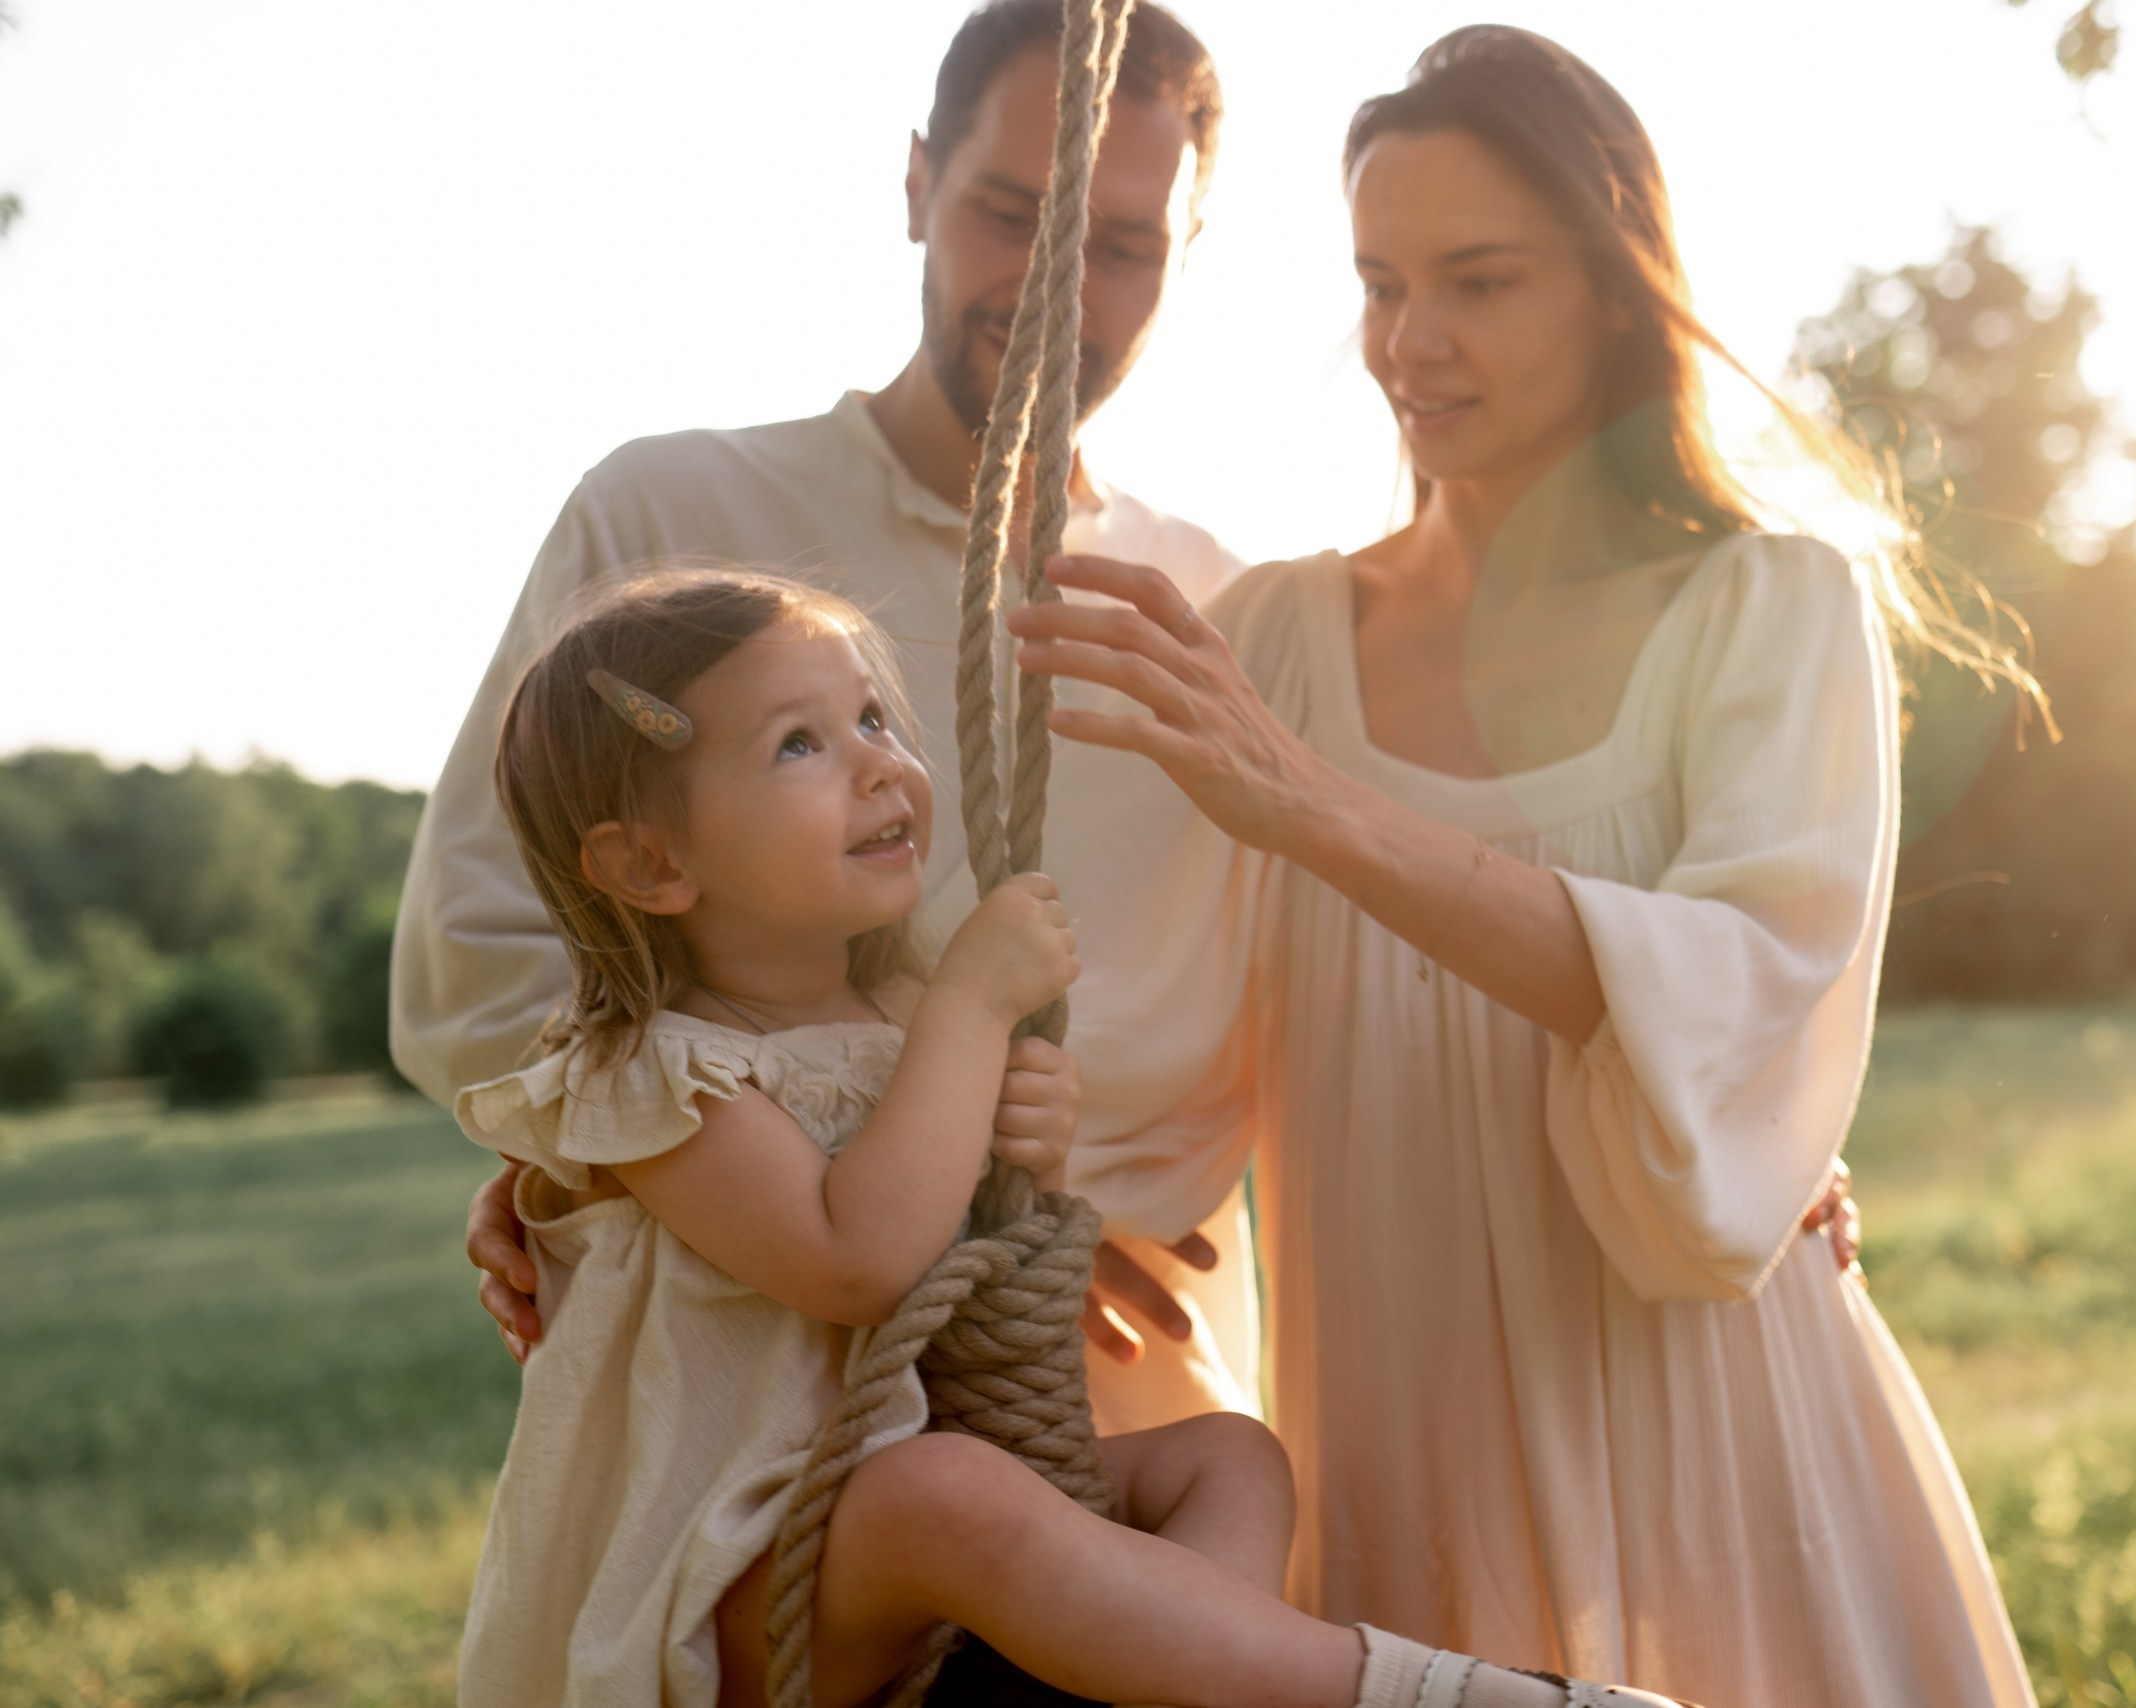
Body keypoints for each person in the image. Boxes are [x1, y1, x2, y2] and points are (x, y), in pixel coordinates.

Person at [997, 27, 2036, 1707]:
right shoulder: (1276, 638)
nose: (1411, 341)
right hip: (1402, 1442)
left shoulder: (1773, 608)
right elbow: (1092, 1020)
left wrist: (1313, 804)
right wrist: (647, 1165)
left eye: (1479, 282)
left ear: (1617, 291)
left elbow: (1738, 1002)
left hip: (1713, 1424)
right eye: (1381, 283)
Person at [453, 567, 1698, 1708]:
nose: (879, 766)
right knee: (939, 1493)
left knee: (1227, 1455)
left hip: (907, 1528)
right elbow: (859, 1257)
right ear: (649, 863)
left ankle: (1199, 1683)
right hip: (723, 1593)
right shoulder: (654, 1079)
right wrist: (971, 1009)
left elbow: (972, 1228)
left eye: (872, 719)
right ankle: (1399, 1692)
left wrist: (1030, 1153)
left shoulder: (899, 1012)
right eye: (800, 743)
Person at [400, 0, 1271, 1435]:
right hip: (766, 1377)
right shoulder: (669, 517)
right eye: (1007, 213)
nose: (1054, 290)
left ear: (1187, 253)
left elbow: (1292, 1008)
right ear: (917, 182)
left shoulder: (1220, 607)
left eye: (1123, 246)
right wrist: (606, 1154)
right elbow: (481, 951)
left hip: (1125, 1374)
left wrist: (1044, 1232)